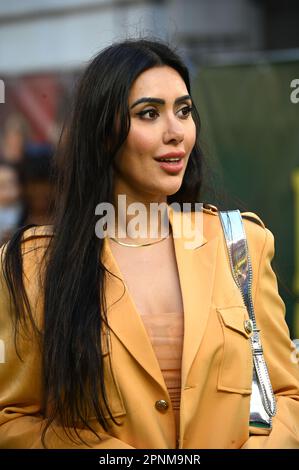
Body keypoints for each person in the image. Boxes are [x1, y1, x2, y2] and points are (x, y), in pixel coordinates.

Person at [0, 37, 298, 450]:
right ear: (104, 133)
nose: (175, 132)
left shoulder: (241, 243)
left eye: (184, 110)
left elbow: (288, 395)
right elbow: (12, 420)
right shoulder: (34, 265)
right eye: (149, 114)